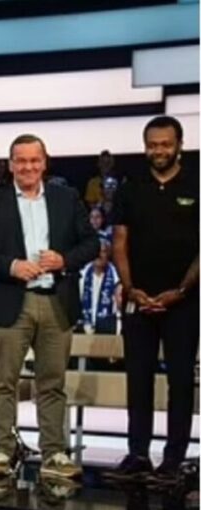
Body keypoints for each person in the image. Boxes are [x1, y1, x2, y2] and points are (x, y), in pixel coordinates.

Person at [0, 133, 98, 481]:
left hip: (57, 301)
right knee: (3, 382)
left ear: (44, 162)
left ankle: (54, 453)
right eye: (21, 160)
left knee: (52, 384)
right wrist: (11, 266)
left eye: (34, 160)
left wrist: (64, 260)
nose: (28, 167)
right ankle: (0, 451)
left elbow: (91, 244)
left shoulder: (66, 198)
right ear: (11, 165)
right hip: (12, 300)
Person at [110, 115, 199, 484]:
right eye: (152, 144)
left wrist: (181, 291)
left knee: (180, 380)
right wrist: (131, 289)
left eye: (165, 144)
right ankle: (138, 454)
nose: (158, 150)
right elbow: (119, 242)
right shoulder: (131, 187)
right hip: (139, 299)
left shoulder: (196, 182)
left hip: (185, 300)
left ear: (179, 145)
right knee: (138, 378)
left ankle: (174, 458)